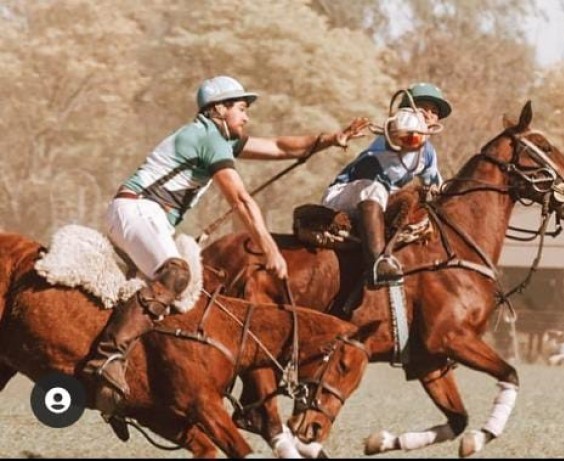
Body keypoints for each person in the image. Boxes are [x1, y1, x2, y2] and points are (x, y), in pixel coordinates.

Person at [83, 75, 370, 415]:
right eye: (241, 109)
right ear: (219, 109)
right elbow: (241, 199)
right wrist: (269, 248)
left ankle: (131, 377)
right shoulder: (208, 137)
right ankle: (107, 359)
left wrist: (331, 139)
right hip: (136, 209)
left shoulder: (217, 137)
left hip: (144, 216)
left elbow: (279, 147)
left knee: (170, 297)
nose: (246, 116)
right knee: (176, 275)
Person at [320, 82, 452, 283]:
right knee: (375, 187)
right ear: (407, 110)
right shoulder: (391, 135)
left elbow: (436, 185)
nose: (429, 114)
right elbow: (398, 135)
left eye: (434, 112)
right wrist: (404, 126)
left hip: (379, 204)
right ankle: (377, 264)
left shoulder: (428, 153)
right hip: (344, 195)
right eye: (422, 108)